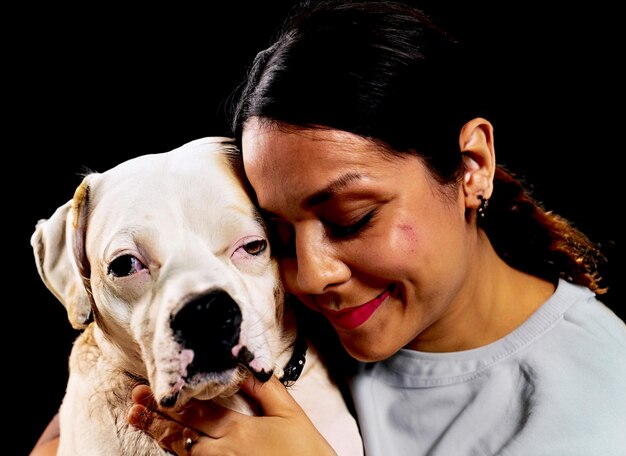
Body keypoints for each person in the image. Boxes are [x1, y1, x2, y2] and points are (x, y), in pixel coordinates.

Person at [32, 1, 626, 455]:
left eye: (354, 219)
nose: (311, 277)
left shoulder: (594, 406)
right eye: (277, 237)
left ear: (471, 167)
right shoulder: (301, 317)